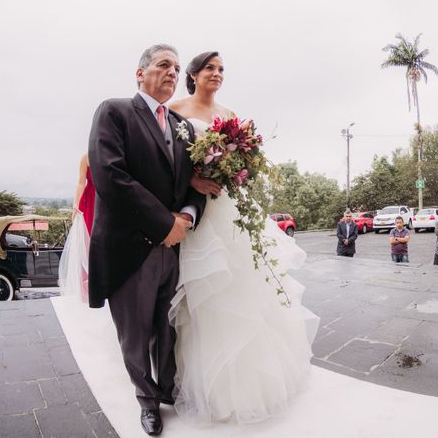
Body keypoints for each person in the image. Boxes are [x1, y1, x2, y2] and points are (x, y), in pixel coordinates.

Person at [168, 51, 319, 424]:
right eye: (210, 69)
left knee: (242, 286)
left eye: (221, 70)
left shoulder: (229, 114)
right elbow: (167, 157)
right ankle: (207, 383)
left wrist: (235, 173)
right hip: (193, 207)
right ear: (193, 74)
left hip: (227, 206)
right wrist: (191, 179)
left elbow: (243, 166)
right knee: (204, 290)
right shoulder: (174, 108)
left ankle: (249, 383)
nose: (217, 74)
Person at [88, 44, 206, 436]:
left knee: (167, 328)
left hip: (173, 248)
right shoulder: (114, 111)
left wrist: (186, 217)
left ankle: (167, 390)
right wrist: (163, 223)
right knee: (135, 335)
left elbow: (191, 183)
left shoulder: (182, 126)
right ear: (140, 73)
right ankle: (147, 401)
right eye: (163, 65)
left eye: (176, 66)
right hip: (129, 248)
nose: (172, 72)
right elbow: (111, 176)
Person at [58, 153, 95, 302]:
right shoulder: (86, 157)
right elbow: (81, 183)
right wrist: (75, 204)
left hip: (106, 201)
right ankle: (88, 291)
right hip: (89, 202)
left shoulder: (110, 151)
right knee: (86, 245)